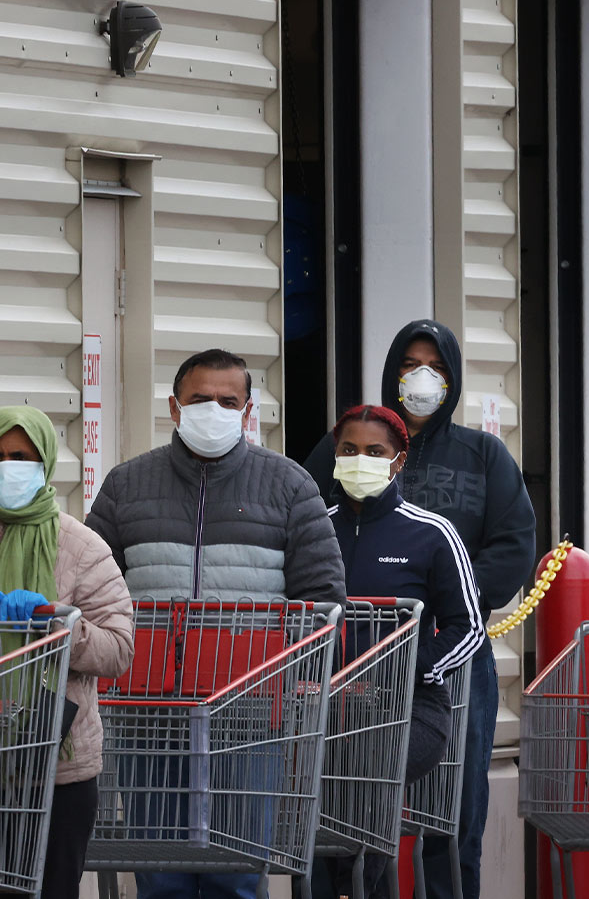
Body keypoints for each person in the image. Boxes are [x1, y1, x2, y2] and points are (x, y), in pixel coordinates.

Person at [88, 348, 346, 899]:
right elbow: (95, 591)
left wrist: (297, 685)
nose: (214, 410)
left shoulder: (289, 486)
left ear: (248, 411)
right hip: (146, 714)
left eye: (228, 401)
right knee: (160, 875)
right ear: (174, 408)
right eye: (200, 399)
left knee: (238, 876)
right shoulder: (126, 485)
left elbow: (322, 597)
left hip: (248, 716)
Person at [303, 320, 536, 899]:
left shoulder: (484, 455)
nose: (421, 377)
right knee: (340, 805)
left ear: (452, 378)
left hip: (449, 657)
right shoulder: (341, 447)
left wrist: (445, 601)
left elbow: (514, 543)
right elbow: (307, 534)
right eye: (409, 364)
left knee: (455, 807)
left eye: (434, 366)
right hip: (349, 670)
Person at [326, 404, 485, 898]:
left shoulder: (432, 532)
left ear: (398, 460)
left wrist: (414, 669)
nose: (360, 460)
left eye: (375, 451)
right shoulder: (315, 529)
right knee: (315, 802)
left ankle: (356, 888)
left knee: (367, 767)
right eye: (349, 449)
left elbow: (468, 626)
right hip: (327, 708)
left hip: (411, 710)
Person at [0, 407, 133, 899]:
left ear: (45, 462)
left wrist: (57, 626)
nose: (7, 467)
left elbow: (118, 649)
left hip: (57, 766)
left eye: (20, 457)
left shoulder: (80, 546)